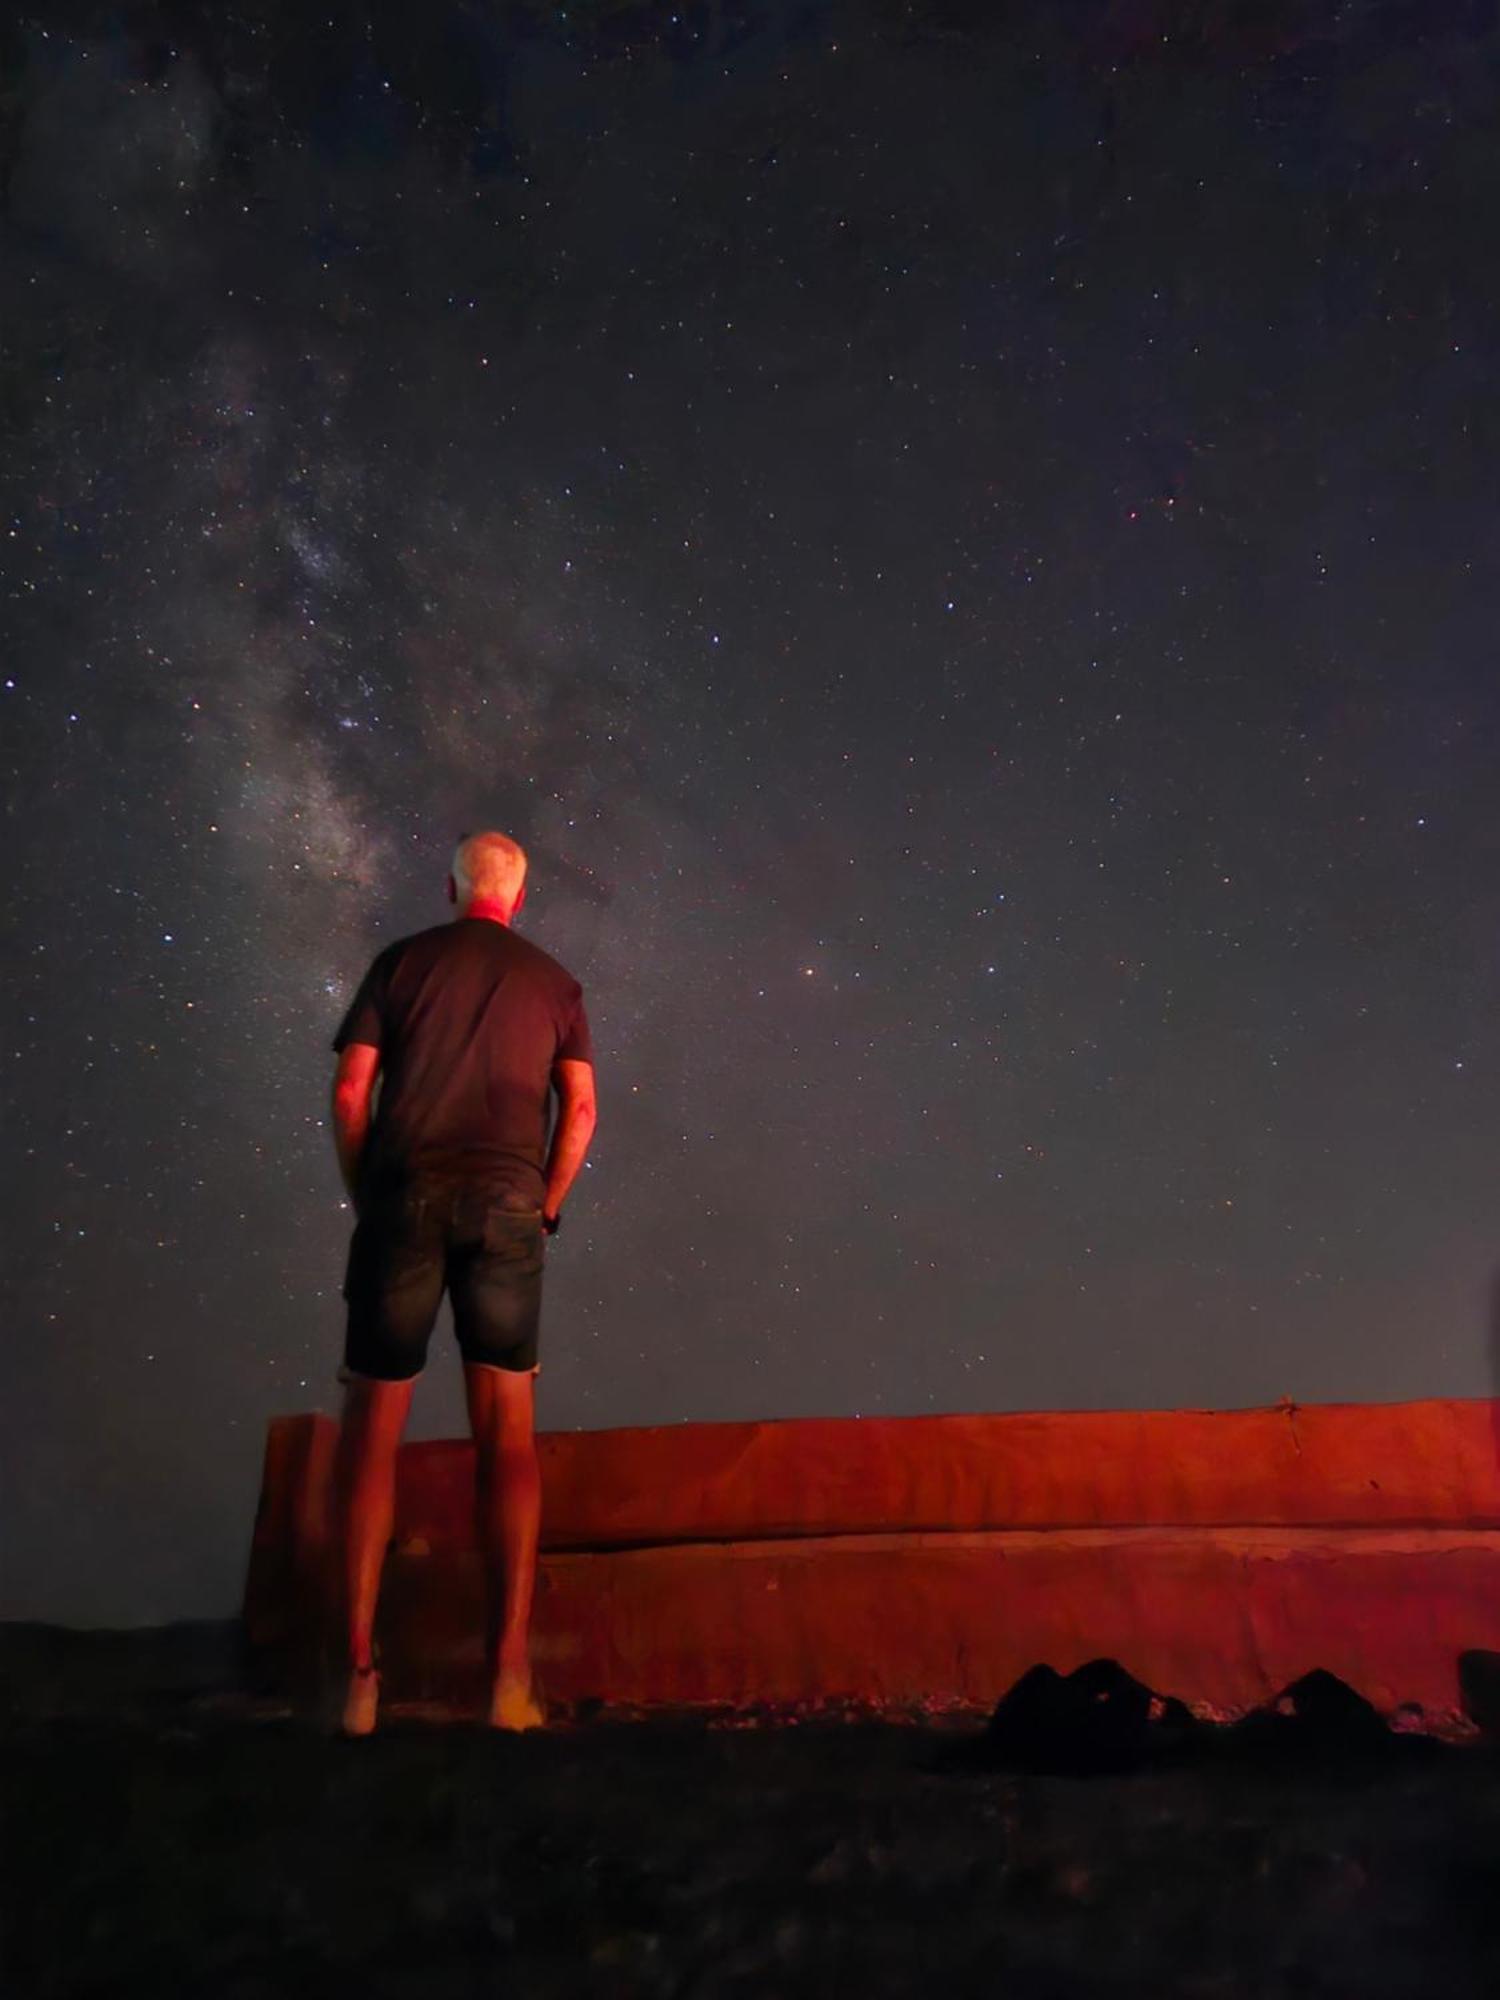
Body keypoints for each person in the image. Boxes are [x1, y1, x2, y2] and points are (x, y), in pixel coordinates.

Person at [327, 830, 597, 1736]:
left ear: (451, 887)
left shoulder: (400, 963)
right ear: (517, 900)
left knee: (371, 1433)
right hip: (508, 1211)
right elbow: (583, 1107)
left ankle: (357, 1681)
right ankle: (507, 1683)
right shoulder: (555, 984)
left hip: (403, 1201)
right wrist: (547, 1201)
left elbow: (351, 1093)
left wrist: (368, 1192)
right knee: (508, 1439)